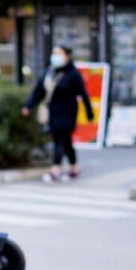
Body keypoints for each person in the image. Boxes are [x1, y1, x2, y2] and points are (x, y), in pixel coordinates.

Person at [22, 44, 94, 183]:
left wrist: (89, 114)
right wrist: (28, 106)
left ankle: (55, 170)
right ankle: (74, 167)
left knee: (59, 139)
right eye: (54, 53)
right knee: (66, 142)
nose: (55, 56)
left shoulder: (73, 73)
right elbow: (38, 91)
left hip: (68, 112)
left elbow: (83, 94)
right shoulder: (48, 71)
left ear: (67, 56)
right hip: (52, 112)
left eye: (58, 53)